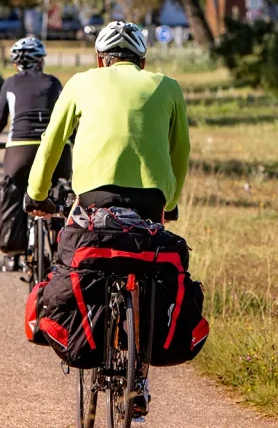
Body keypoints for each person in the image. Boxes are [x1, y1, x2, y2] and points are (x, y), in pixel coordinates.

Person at [23, 21, 190, 417]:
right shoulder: (167, 86)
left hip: (94, 197)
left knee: (88, 256)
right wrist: (171, 200)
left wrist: (37, 194)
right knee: (145, 266)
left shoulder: (81, 83)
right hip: (151, 199)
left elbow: (51, 143)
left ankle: (96, 340)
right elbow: (179, 151)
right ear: (143, 60)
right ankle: (140, 375)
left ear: (101, 59)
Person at [0, 37, 72, 271]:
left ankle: (14, 252)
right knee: (61, 189)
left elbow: (0, 119)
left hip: (19, 150)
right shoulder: (53, 83)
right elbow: (65, 115)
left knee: (16, 190)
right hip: (55, 149)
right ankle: (63, 248)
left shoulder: (10, 84)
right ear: (40, 62)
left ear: (16, 64)